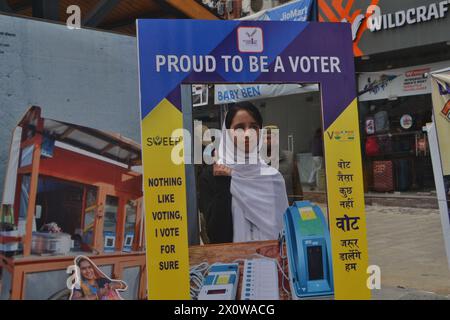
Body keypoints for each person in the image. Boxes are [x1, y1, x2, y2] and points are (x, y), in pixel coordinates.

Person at [199, 102, 289, 243]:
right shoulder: (212, 176)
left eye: (253, 127)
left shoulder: (273, 177)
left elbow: (284, 231)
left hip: (273, 260)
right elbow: (216, 235)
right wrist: (224, 183)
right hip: (230, 262)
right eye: (239, 128)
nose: (248, 134)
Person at [261, 125, 303, 204]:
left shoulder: (289, 158)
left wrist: (299, 207)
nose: (265, 141)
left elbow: (297, 186)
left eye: (268, 138)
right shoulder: (257, 161)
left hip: (286, 209)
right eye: (263, 138)